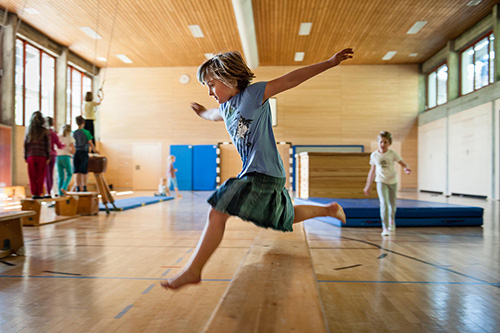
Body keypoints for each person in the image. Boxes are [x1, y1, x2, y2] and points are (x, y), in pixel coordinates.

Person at [161, 48, 353, 290]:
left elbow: (291, 79)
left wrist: (329, 62)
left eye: (211, 85)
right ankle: (328, 210)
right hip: (262, 174)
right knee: (281, 217)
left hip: (263, 173)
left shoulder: (253, 94)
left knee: (217, 212)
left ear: (229, 78)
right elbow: (211, 114)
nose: (210, 92)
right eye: (206, 88)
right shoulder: (225, 108)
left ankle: (193, 270)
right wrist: (201, 112)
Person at [363, 131, 411, 236]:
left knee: (392, 205)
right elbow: (372, 171)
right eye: (381, 142)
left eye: (385, 142)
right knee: (383, 204)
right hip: (381, 181)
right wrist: (368, 185)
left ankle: (391, 221)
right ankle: (384, 227)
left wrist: (406, 169)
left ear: (389, 143)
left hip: (393, 181)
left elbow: (402, 163)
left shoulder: (392, 154)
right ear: (378, 142)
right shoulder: (374, 155)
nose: (383, 144)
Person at [24, 111, 50, 199]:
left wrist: (25, 156)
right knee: (40, 175)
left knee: (32, 175)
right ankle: (38, 193)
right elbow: (48, 144)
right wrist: (48, 156)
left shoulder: (29, 131)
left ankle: (34, 193)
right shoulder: (45, 131)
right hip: (42, 155)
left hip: (31, 155)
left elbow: (25, 144)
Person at [73, 115, 99, 192]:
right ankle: (84, 186)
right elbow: (90, 142)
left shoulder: (74, 132)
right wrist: (94, 150)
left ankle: (78, 187)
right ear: (83, 123)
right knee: (84, 171)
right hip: (84, 152)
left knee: (77, 171)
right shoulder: (86, 132)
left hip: (76, 152)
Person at [45, 117, 65, 198]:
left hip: (45, 155)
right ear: (52, 124)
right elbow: (59, 146)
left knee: (46, 175)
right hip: (52, 155)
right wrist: (65, 145)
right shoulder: (53, 134)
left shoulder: (43, 133)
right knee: (51, 174)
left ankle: (48, 192)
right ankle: (49, 192)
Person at [56, 124, 75, 196]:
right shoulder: (70, 138)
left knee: (60, 176)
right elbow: (72, 150)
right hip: (66, 157)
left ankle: (60, 193)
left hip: (58, 157)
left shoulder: (58, 136)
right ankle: (64, 187)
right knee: (69, 173)